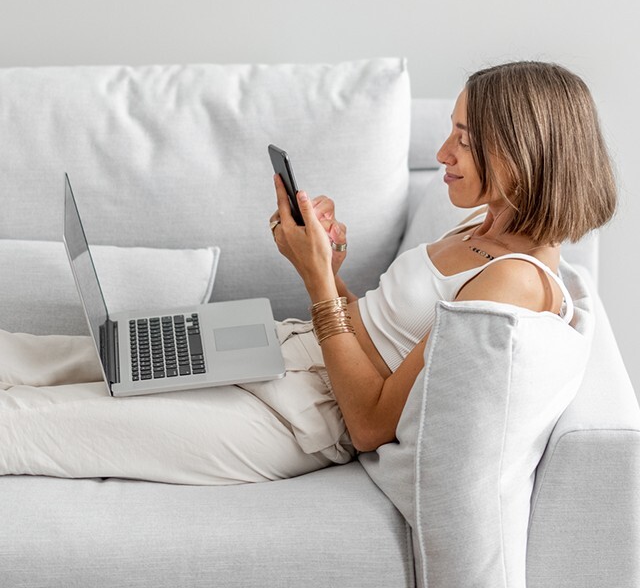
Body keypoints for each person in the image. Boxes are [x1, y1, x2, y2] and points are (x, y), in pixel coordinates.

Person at [0, 61, 617, 485]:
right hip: (282, 350)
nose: (441, 155)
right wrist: (329, 269)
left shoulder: (512, 286)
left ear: (520, 151)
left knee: (30, 425)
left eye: (463, 138)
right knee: (34, 357)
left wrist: (318, 282)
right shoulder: (481, 229)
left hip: (296, 419)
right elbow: (378, 338)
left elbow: (372, 422)